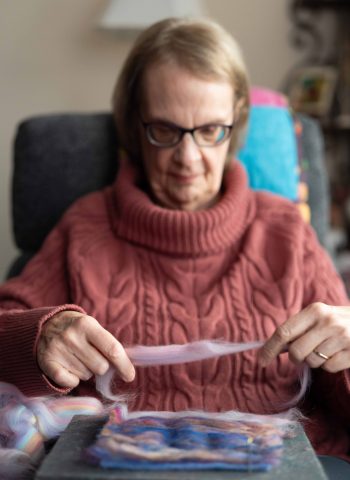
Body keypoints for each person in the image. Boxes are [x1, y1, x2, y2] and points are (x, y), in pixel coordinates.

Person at [1, 17, 350, 465]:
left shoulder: (288, 231)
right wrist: (38, 336)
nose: (188, 159)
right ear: (133, 124)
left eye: (210, 131)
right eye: (164, 131)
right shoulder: (86, 227)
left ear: (236, 122)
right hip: (125, 466)